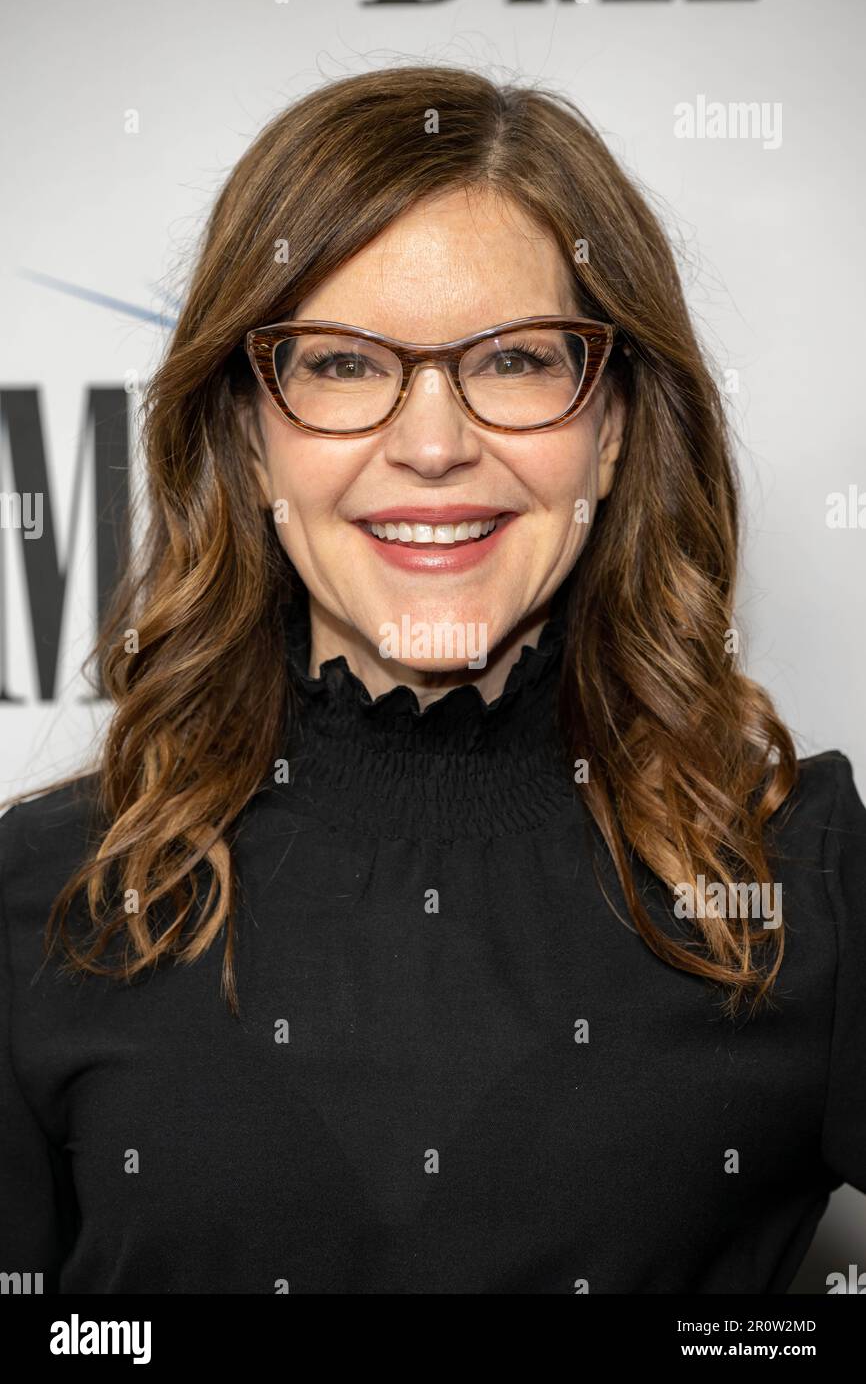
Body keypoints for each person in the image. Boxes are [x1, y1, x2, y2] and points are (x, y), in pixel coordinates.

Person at [1, 65, 864, 1295]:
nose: (431, 441)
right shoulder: (42, 898)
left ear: (610, 427)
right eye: (342, 365)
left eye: (513, 360)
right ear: (248, 435)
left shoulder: (798, 879)